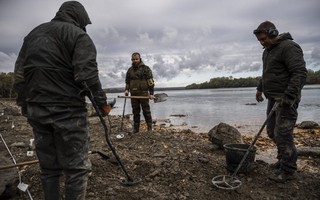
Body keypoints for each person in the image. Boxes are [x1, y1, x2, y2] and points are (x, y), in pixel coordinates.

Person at [13, 1, 113, 199]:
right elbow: (87, 76)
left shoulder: (33, 35)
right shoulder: (79, 36)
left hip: (37, 109)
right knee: (76, 168)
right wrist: (102, 105)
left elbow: (19, 76)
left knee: (49, 168)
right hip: (68, 111)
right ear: (80, 17)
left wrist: (25, 105)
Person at [253, 21, 307, 182]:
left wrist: (289, 97)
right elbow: (266, 73)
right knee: (271, 132)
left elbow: (300, 73)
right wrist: (259, 88)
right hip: (272, 98)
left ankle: (288, 170)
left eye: (264, 39)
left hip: (286, 100)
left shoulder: (289, 47)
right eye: (260, 41)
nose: (262, 43)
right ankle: (282, 158)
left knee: (283, 134)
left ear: (273, 33)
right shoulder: (267, 51)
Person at [124, 52, 155, 134]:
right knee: (135, 112)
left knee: (146, 111)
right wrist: (126, 90)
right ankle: (136, 129)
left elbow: (150, 82)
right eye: (133, 59)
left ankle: (149, 128)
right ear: (131, 60)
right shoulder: (130, 70)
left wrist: (151, 93)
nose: (135, 61)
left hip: (144, 93)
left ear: (139, 58)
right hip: (133, 95)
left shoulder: (146, 69)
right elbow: (127, 81)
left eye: (136, 59)